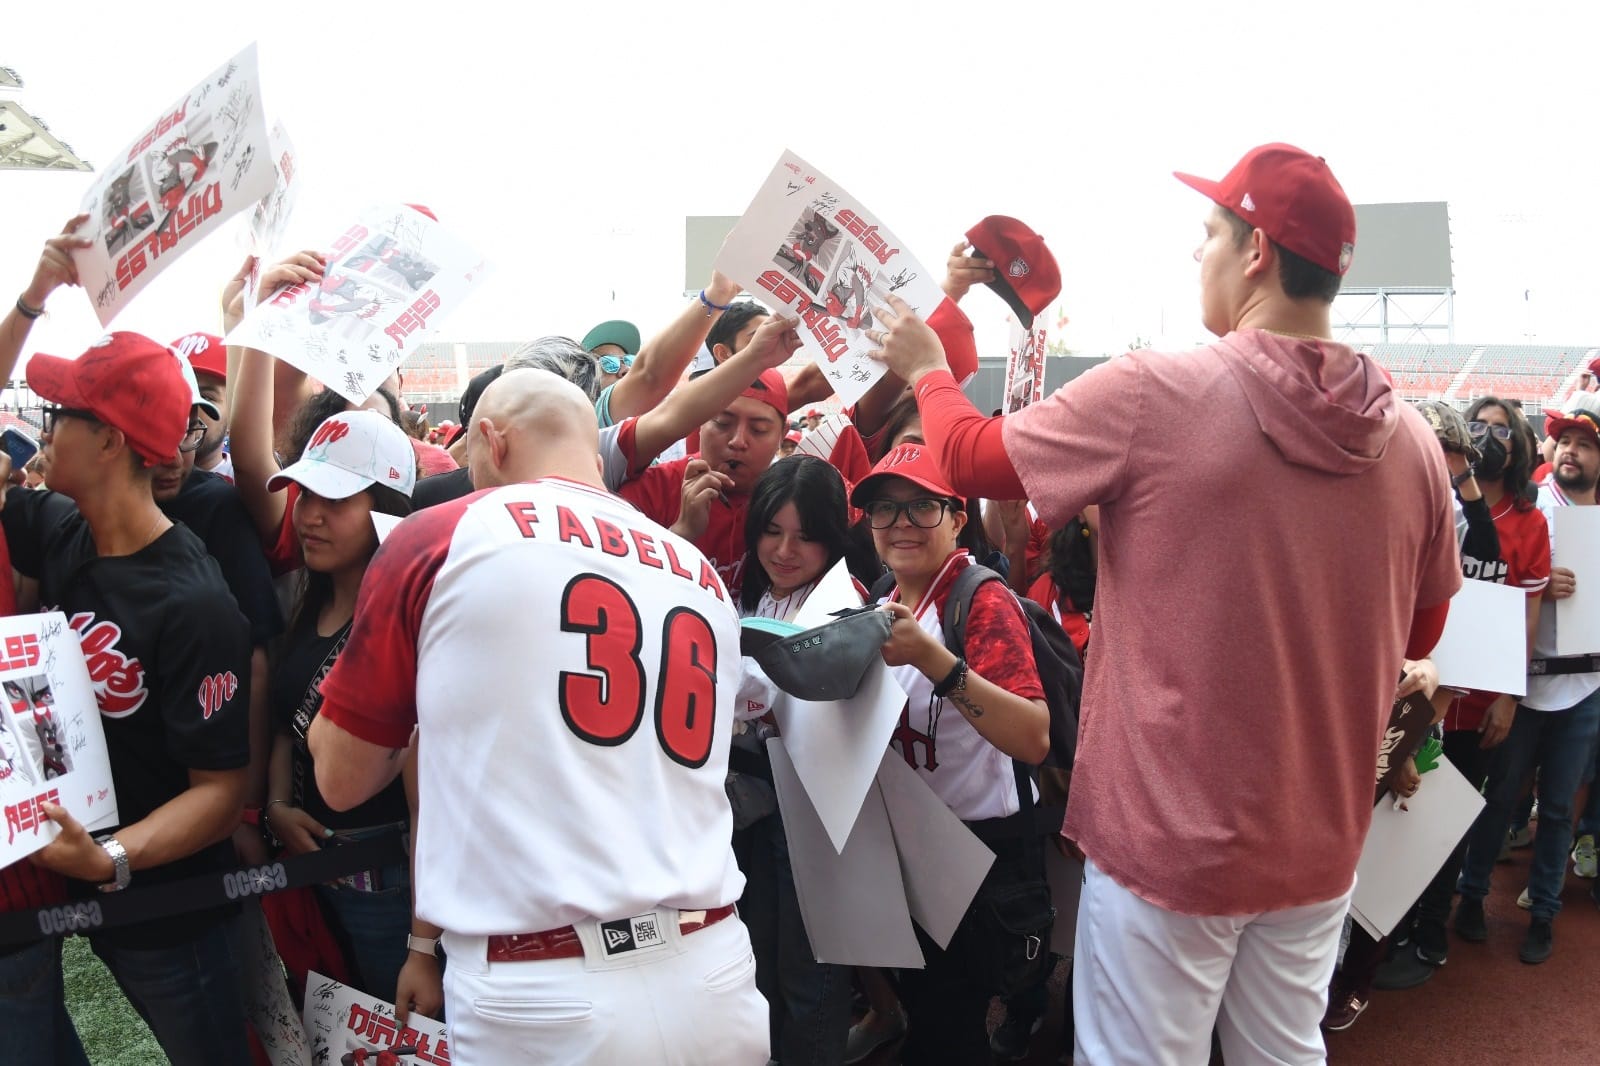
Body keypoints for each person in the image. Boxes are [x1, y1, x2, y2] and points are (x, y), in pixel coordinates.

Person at [870, 143, 1461, 1065]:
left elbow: (973, 459)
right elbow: (1421, 633)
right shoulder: (1418, 443)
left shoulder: (1160, 391)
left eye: (1210, 233)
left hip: (1167, 843)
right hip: (1319, 839)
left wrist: (927, 369)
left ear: (1256, 251)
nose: (1201, 254)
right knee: (1281, 1054)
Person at [305, 369, 767, 1065]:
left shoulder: (446, 532)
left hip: (541, 984)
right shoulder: (694, 568)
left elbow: (341, 777)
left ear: (492, 439)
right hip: (715, 965)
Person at [3, 332, 253, 1062]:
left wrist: (110, 856)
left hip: (170, 909)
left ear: (108, 439)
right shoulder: (60, 528)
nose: (45, 434)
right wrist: (31, 298)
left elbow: (220, 791)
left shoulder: (195, 602)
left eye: (59, 416)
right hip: (85, 890)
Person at [851, 443, 1052, 1063]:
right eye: (885, 510)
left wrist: (933, 660)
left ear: (957, 517)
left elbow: (1033, 736)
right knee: (932, 1008)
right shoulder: (887, 593)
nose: (901, 524)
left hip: (981, 853)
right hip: (920, 838)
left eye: (922, 508)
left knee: (953, 1024)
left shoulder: (977, 600)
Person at [260, 410, 440, 1012]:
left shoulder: (408, 622)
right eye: (304, 493)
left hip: (387, 886)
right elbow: (291, 718)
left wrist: (421, 946)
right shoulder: (307, 602)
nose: (309, 514)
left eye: (334, 499)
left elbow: (426, 802)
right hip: (315, 882)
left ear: (386, 507)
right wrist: (279, 806)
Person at [732, 456, 879, 1064]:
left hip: (821, 821)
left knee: (811, 978)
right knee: (758, 964)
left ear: (833, 538)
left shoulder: (849, 606)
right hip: (762, 811)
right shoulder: (756, 588)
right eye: (772, 530)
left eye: (805, 535)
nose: (785, 549)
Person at [1453, 392, 1600, 964]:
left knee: (1559, 807)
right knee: (1499, 799)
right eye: (1564, 441)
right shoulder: (1535, 506)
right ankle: (1470, 897)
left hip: (1584, 686)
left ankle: (1543, 911)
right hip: (1524, 682)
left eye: (1585, 445)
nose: (1571, 452)